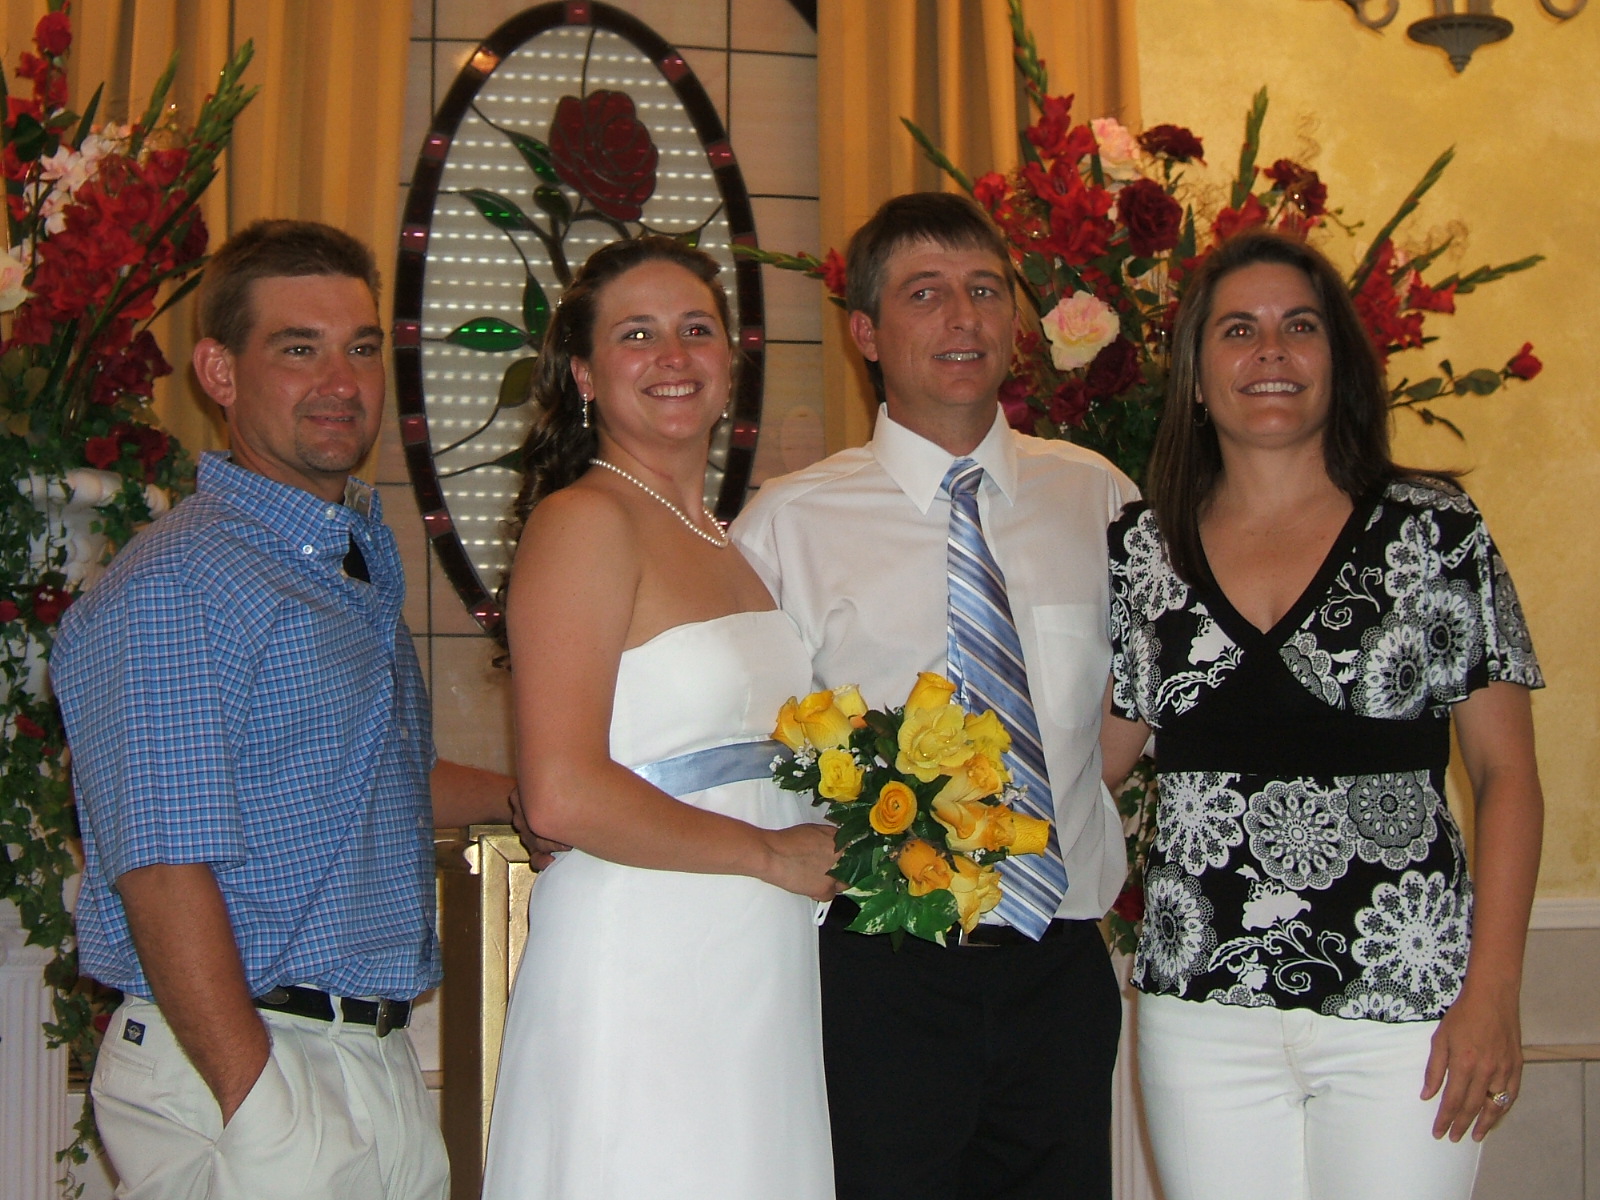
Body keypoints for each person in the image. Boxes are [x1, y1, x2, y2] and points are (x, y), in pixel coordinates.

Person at [52, 220, 520, 1200]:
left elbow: (378, 781)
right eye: (299, 349)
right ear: (219, 373)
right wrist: (254, 1098)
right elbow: (161, 866)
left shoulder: (336, 561)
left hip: (368, 1058)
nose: (342, 382)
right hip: (254, 1062)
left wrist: (538, 801)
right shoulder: (181, 582)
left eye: (361, 349)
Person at [1098, 229, 1545, 1200]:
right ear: (1195, 376)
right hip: (1201, 1011)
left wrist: (1494, 992)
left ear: (1338, 362)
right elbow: (1099, 759)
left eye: (1299, 327)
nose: (1271, 350)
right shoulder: (1143, 549)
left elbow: (1507, 775)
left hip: (1406, 1004)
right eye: (1238, 330)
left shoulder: (1433, 532)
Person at [733, 192, 1137, 1200]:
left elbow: (1135, 702)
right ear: (866, 333)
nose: (962, 317)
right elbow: (748, 752)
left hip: (1057, 960)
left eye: (984, 290)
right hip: (879, 966)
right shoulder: (787, 525)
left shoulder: (1097, 497)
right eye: (925, 294)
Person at [480, 235, 838, 1200]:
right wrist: (770, 855)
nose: (673, 356)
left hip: (755, 958)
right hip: (644, 952)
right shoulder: (584, 521)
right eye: (636, 335)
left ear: (731, 362)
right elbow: (560, 793)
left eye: (696, 330)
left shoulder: (724, 538)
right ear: (584, 374)